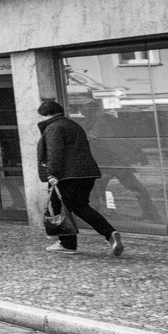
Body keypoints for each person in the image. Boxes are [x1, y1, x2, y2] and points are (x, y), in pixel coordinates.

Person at [37, 98, 124, 257]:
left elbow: (55, 153)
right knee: (80, 207)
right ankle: (110, 233)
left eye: (41, 116)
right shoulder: (73, 125)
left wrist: (52, 174)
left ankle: (67, 244)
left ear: (46, 114)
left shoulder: (54, 127)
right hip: (86, 174)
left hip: (66, 176)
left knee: (60, 208)